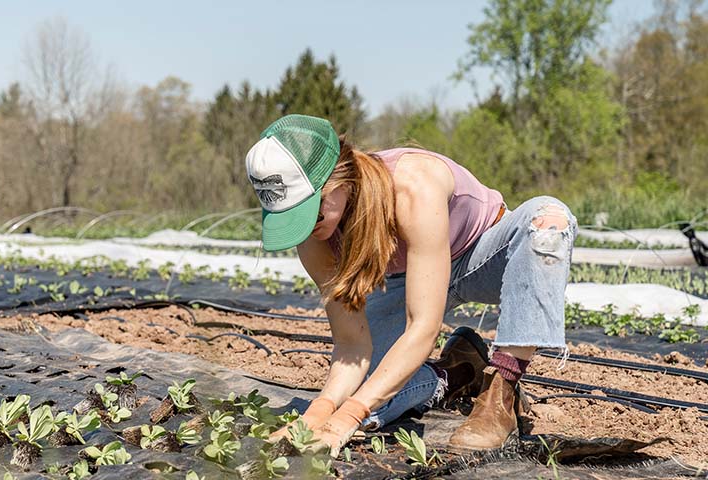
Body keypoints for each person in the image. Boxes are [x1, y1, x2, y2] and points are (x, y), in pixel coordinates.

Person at [245, 114, 578, 455]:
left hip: (483, 257)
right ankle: (456, 372)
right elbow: (351, 345)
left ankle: (501, 391)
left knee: (548, 220)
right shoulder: (315, 239)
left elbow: (423, 328)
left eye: (311, 212)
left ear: (339, 179)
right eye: (291, 218)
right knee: (370, 395)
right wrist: (321, 412)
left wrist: (349, 416)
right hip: (410, 279)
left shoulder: (411, 185)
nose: (307, 228)